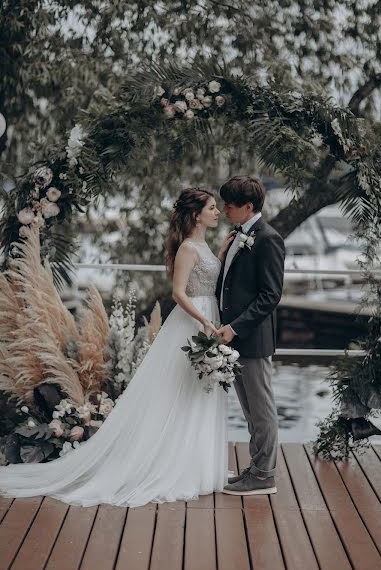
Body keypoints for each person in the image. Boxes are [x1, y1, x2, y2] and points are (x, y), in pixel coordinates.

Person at [0, 188, 235, 508]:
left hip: (209, 316)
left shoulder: (204, 244)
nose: (217, 211)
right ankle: (174, 463)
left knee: (199, 392)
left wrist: (221, 254)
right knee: (180, 391)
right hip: (193, 321)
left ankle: (198, 463)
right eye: (211, 207)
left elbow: (208, 278)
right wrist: (204, 323)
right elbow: (179, 293)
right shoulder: (186, 249)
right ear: (196, 214)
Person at [216, 175, 285, 496]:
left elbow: (270, 296)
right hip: (235, 338)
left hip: (252, 339)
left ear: (248, 206)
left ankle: (264, 475)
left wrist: (235, 327)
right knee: (249, 410)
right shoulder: (238, 235)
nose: (224, 208)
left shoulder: (268, 239)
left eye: (229, 204)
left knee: (261, 409)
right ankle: (256, 468)